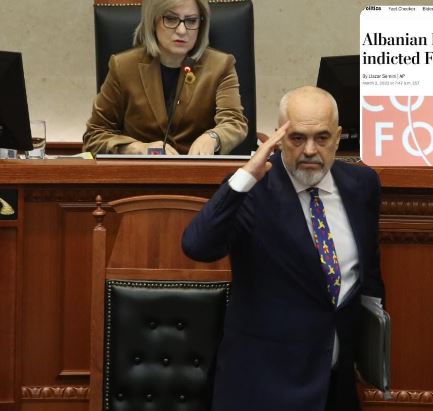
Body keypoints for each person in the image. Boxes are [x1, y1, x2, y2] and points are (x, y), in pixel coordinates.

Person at [182, 86, 385, 411]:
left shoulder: (361, 185)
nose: (309, 150)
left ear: (337, 138)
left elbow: (368, 274)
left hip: (334, 385)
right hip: (263, 387)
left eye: (321, 138)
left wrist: (370, 352)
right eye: (297, 138)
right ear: (278, 137)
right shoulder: (254, 190)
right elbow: (197, 246)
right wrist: (245, 176)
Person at [83, 0, 247, 155]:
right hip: (141, 172)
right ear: (153, 21)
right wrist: (137, 149)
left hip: (198, 171)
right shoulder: (123, 67)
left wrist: (213, 137)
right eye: (170, 19)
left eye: (191, 21)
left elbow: (233, 122)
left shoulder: (220, 66)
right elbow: (94, 136)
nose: (181, 30)